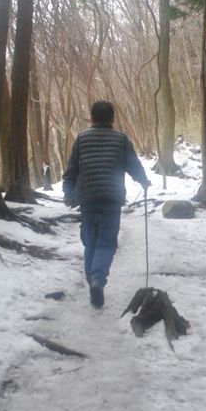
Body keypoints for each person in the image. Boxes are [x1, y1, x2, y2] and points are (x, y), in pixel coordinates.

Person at [63, 101, 150, 308]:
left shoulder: (81, 139)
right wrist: (143, 181)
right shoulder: (121, 140)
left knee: (90, 242)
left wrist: (68, 193)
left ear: (91, 118)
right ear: (112, 119)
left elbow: (71, 170)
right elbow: (133, 165)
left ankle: (93, 280)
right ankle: (98, 279)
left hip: (87, 198)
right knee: (106, 243)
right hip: (111, 198)